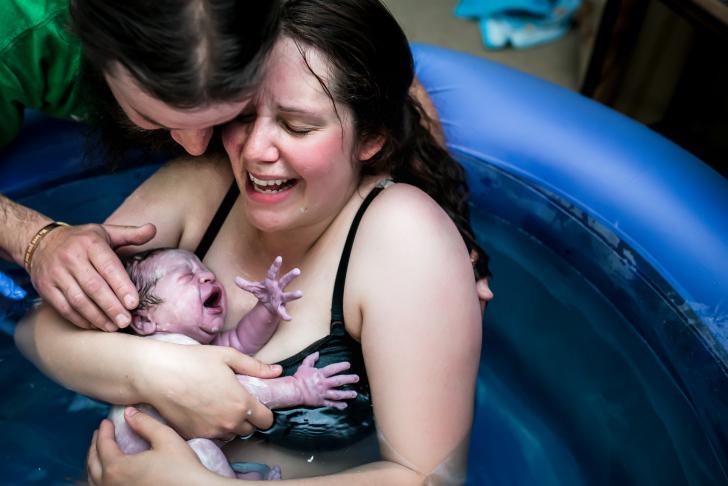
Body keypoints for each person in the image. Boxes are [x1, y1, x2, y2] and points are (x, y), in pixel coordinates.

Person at [16, 0, 483, 484]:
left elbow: (430, 477)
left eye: (297, 126)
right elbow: (38, 330)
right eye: (242, 116)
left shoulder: (403, 239)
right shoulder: (204, 186)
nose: (255, 151)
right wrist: (155, 371)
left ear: (371, 139)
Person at [0, 0, 492, 331]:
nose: (197, 149)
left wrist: (451, 226)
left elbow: (385, 79)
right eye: (152, 115)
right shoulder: (16, 34)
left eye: (230, 112)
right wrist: (35, 239)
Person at [113, 248, 358, 480]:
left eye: (204, 270)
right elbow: (229, 393)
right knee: (203, 451)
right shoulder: (165, 349)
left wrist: (267, 308)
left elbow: (240, 340)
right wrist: (297, 389)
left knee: (242, 468)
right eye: (188, 275)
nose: (208, 275)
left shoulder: (196, 346)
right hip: (148, 466)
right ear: (145, 321)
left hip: (147, 464)